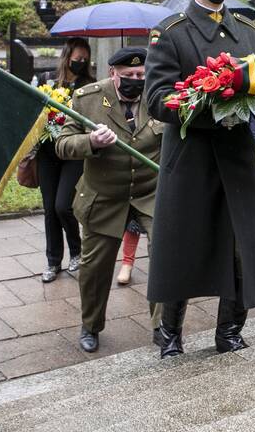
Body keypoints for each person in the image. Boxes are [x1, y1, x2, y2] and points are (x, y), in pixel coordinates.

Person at [144, 0, 255, 358]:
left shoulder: (249, 33)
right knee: (183, 242)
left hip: (238, 156)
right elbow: (156, 99)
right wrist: (209, 100)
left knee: (239, 243)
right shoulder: (171, 33)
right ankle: (170, 331)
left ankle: (230, 330)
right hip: (192, 157)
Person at [53, 47, 162, 352]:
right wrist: (91, 141)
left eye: (141, 75)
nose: (136, 80)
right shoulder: (88, 99)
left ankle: (163, 326)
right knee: (95, 267)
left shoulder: (158, 94)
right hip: (104, 196)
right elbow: (62, 144)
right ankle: (90, 325)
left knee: (166, 256)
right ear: (113, 73)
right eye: (128, 76)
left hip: (149, 194)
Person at [36, 37, 94, 283]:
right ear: (66, 56)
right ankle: (52, 261)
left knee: (63, 206)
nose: (80, 63)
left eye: (84, 60)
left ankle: (76, 251)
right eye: (76, 59)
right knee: (50, 209)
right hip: (47, 151)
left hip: (72, 151)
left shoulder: (90, 85)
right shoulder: (46, 80)